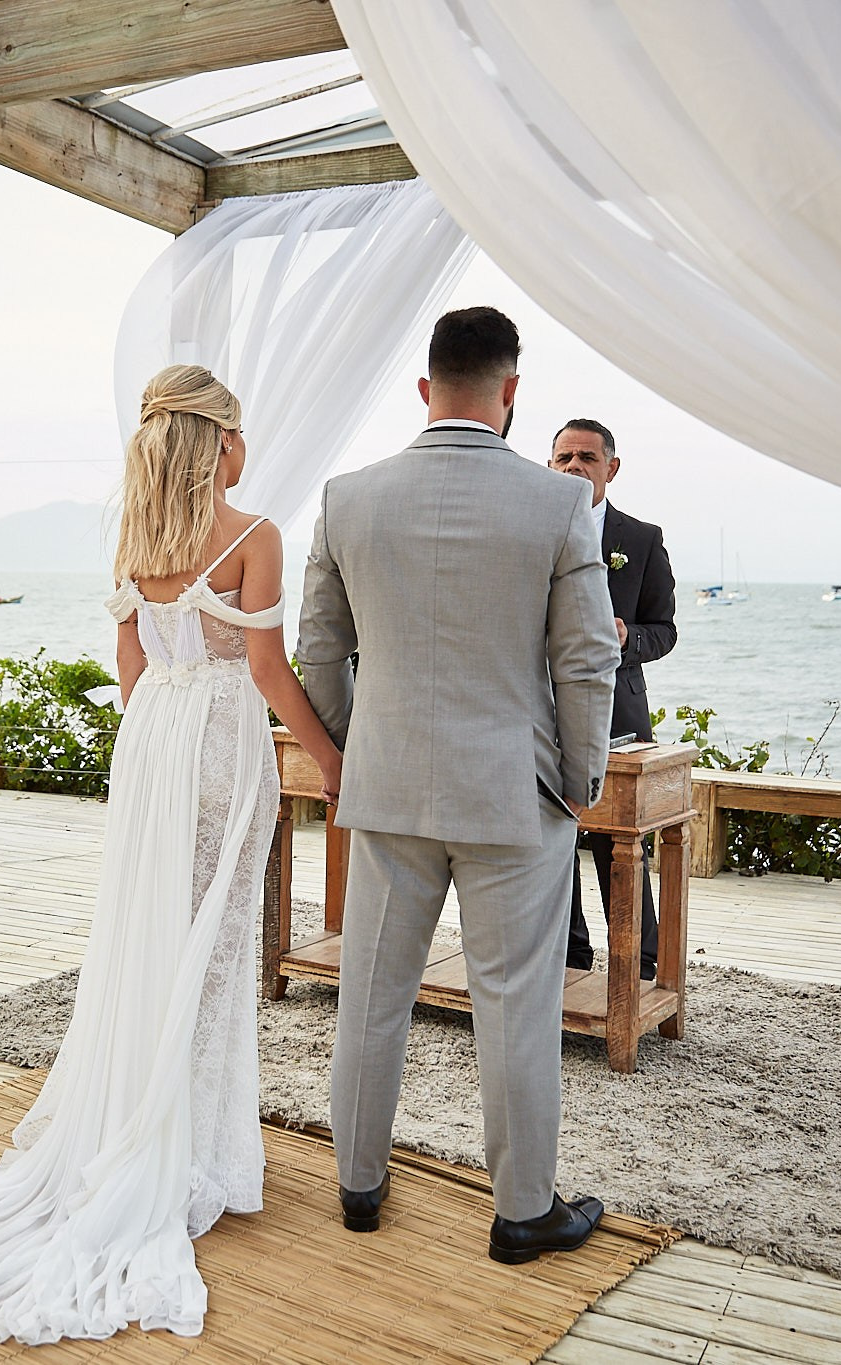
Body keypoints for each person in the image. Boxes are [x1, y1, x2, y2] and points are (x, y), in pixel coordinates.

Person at [0, 365, 343, 1344]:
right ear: (217, 441)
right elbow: (262, 668)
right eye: (237, 431)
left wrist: (157, 747)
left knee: (147, 946)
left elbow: (130, 672)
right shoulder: (253, 536)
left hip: (152, 749)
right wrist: (331, 761)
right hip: (219, 742)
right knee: (215, 956)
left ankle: (158, 1133)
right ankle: (194, 1157)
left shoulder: (136, 540)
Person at [297, 307, 621, 1264]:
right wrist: (579, 781)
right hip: (514, 797)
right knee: (515, 1001)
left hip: (388, 786)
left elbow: (319, 646)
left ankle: (359, 1186)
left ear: (425, 386)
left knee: (371, 992)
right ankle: (523, 1212)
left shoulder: (347, 498)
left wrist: (359, 749)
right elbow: (588, 659)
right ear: (511, 392)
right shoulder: (559, 504)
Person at [550, 418, 677, 979]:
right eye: (563, 459)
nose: (574, 467)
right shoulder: (533, 527)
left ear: (611, 468)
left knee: (619, 845)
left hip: (618, 715)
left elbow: (665, 629)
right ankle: (571, 955)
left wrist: (630, 639)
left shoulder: (642, 539)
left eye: (586, 458)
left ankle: (643, 962)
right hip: (541, 709)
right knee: (553, 843)